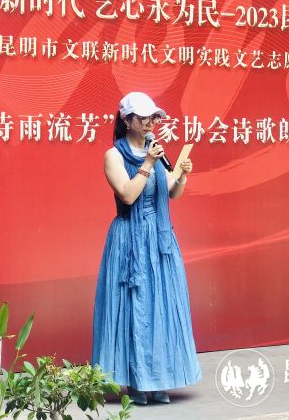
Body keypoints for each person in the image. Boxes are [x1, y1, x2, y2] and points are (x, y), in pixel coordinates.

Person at [91, 91, 202, 405]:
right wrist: (148, 163)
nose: (151, 122)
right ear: (127, 121)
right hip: (129, 238)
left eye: (154, 117)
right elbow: (128, 195)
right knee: (134, 307)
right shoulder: (114, 156)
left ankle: (160, 379)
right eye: (144, 117)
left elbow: (171, 193)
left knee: (160, 306)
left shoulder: (155, 151)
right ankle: (137, 382)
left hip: (159, 238)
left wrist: (182, 175)